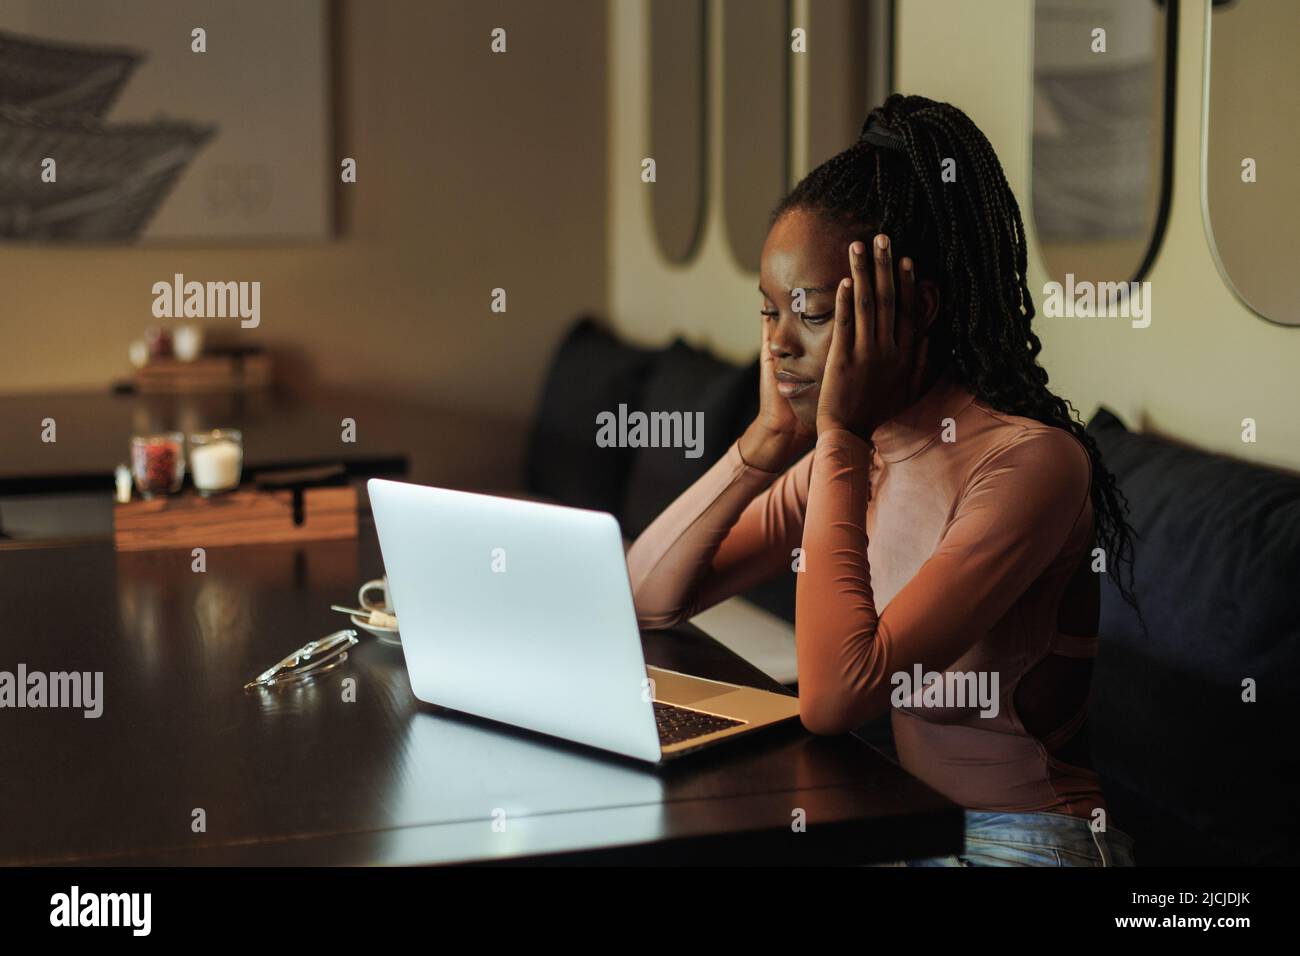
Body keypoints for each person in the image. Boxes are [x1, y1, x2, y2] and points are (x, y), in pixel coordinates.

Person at [625, 93, 1140, 866]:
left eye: (815, 314)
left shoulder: (1029, 464)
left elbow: (837, 697)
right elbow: (648, 597)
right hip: (902, 819)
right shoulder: (859, 458)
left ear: (916, 308)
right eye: (769, 313)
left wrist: (839, 435)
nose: (780, 346)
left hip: (1028, 841)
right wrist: (766, 441)